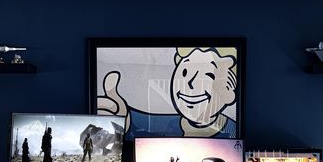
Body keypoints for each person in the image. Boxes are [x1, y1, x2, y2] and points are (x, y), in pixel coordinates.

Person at [96, 46, 238, 138]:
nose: (189, 83)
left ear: (228, 90)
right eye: (184, 72)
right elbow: (137, 124)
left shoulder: (232, 132)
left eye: (206, 76)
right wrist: (122, 121)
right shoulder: (171, 123)